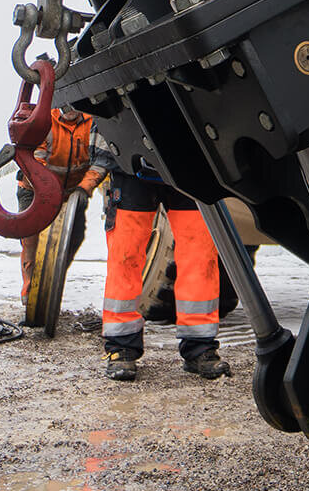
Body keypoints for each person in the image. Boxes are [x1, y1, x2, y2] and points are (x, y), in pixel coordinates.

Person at [98, 153, 231, 382]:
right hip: (129, 161)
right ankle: (121, 347)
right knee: (125, 254)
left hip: (191, 161)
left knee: (200, 255)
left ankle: (200, 347)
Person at [14, 106, 104, 318]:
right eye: (66, 106)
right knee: (31, 239)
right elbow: (36, 161)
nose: (70, 110)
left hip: (71, 193)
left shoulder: (92, 124)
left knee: (75, 235)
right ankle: (30, 292)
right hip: (35, 188)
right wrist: (47, 188)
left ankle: (52, 278)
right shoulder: (45, 122)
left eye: (74, 106)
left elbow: (99, 162)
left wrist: (85, 188)